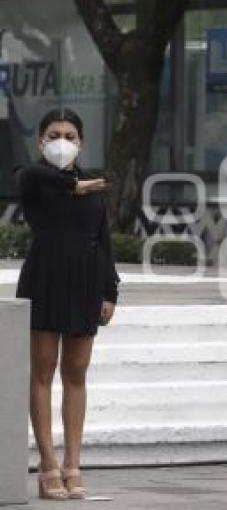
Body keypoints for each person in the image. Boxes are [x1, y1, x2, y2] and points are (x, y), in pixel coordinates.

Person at [15, 108, 119, 500]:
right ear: (41, 140)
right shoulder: (35, 179)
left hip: (86, 282)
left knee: (76, 372)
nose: (63, 141)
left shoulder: (93, 181)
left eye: (71, 135)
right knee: (42, 371)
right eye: (55, 134)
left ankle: (73, 463)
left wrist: (111, 291)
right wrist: (71, 186)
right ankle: (48, 464)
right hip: (45, 278)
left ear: (82, 141)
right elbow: (28, 174)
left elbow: (103, 238)